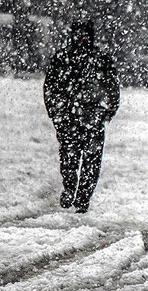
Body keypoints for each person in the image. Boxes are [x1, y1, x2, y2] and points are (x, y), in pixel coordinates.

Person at [43, 19, 120, 213]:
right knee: (69, 158)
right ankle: (70, 188)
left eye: (85, 36)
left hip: (91, 119)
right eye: (78, 36)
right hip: (69, 119)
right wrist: (57, 113)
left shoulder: (101, 60)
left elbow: (112, 90)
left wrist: (105, 113)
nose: (81, 40)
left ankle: (83, 198)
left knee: (91, 162)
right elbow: (50, 89)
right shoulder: (62, 59)